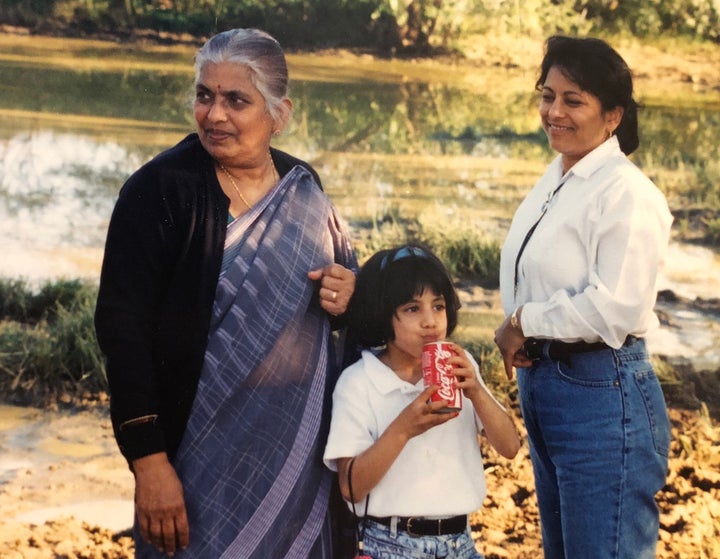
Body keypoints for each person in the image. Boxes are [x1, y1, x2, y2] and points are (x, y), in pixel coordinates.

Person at [94, 28, 357, 558]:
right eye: (204, 95)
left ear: (279, 113)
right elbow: (123, 332)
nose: (215, 115)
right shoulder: (159, 190)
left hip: (294, 456)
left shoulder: (303, 187)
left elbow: (346, 306)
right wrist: (149, 463)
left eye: (236, 100)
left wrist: (347, 292)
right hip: (193, 458)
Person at [494, 36, 672, 559]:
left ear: (613, 115)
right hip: (547, 387)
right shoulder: (557, 179)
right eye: (547, 95)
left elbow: (615, 307)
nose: (554, 111)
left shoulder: (627, 194)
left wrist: (524, 320)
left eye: (574, 100)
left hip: (602, 393)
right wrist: (522, 327)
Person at [324, 245, 520, 559]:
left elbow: (510, 447)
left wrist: (477, 394)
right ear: (382, 314)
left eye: (439, 306)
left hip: (461, 542)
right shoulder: (359, 382)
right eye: (413, 309)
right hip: (391, 543)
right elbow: (351, 486)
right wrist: (403, 429)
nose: (430, 321)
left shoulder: (460, 364)